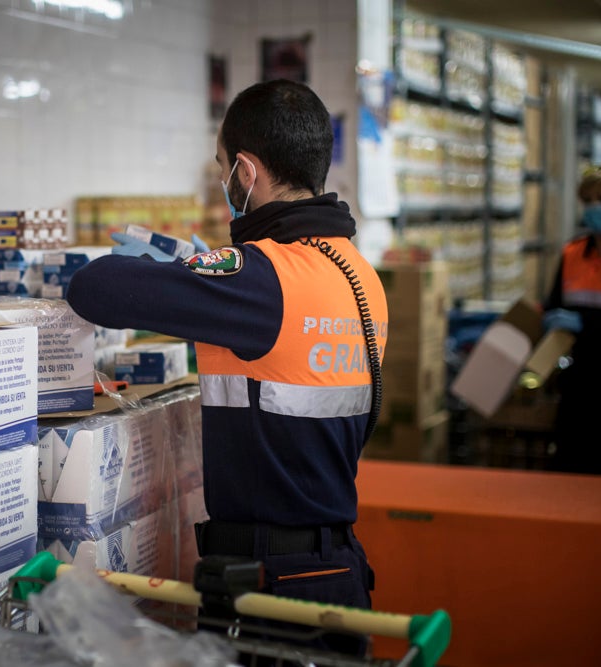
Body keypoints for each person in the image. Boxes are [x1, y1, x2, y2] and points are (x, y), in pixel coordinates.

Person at [65, 79, 388, 656]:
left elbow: (92, 288)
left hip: (269, 584)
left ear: (245, 170)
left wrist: (187, 268)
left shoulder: (261, 276)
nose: (222, 181)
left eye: (221, 167)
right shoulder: (358, 275)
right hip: (335, 568)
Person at [543, 161, 601, 476]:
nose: (596, 206)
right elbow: (553, 304)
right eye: (589, 199)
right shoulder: (572, 254)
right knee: (571, 470)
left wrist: (587, 323)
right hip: (578, 381)